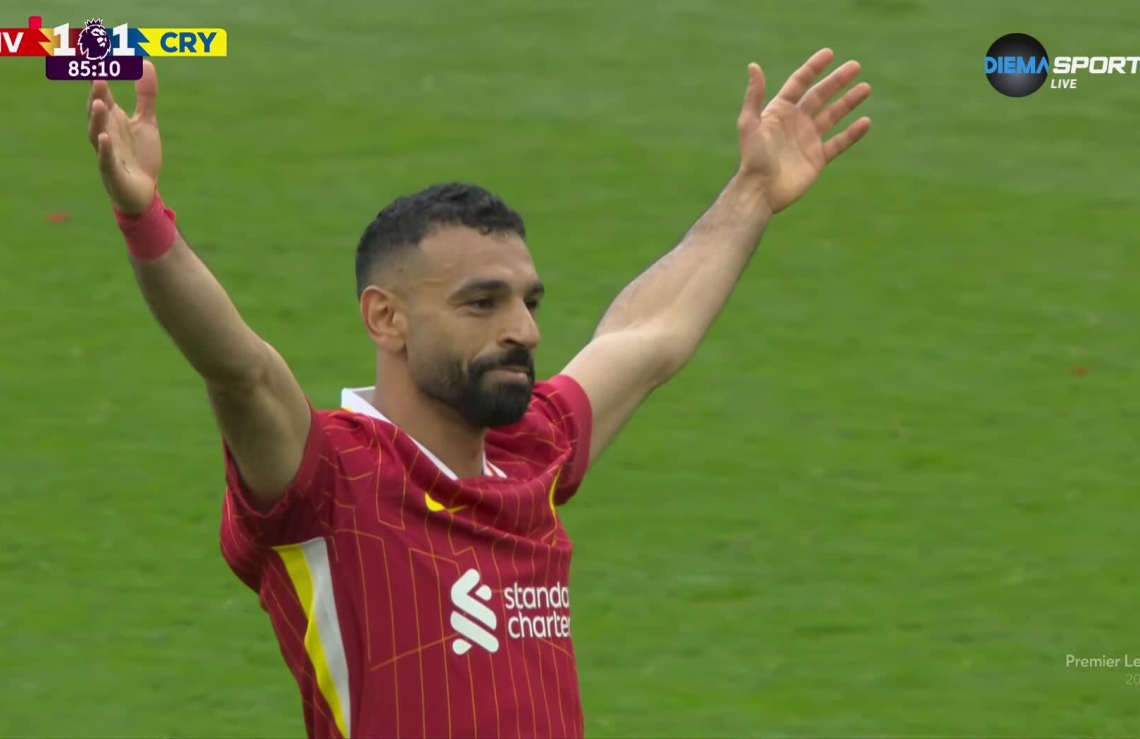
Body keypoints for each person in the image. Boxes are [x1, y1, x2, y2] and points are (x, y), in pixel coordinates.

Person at [84, 49, 870, 739]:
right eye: (482, 303)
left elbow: (647, 335)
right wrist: (142, 216)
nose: (524, 329)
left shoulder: (535, 450)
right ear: (386, 318)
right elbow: (239, 369)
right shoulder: (328, 480)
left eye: (529, 302)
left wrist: (752, 193)